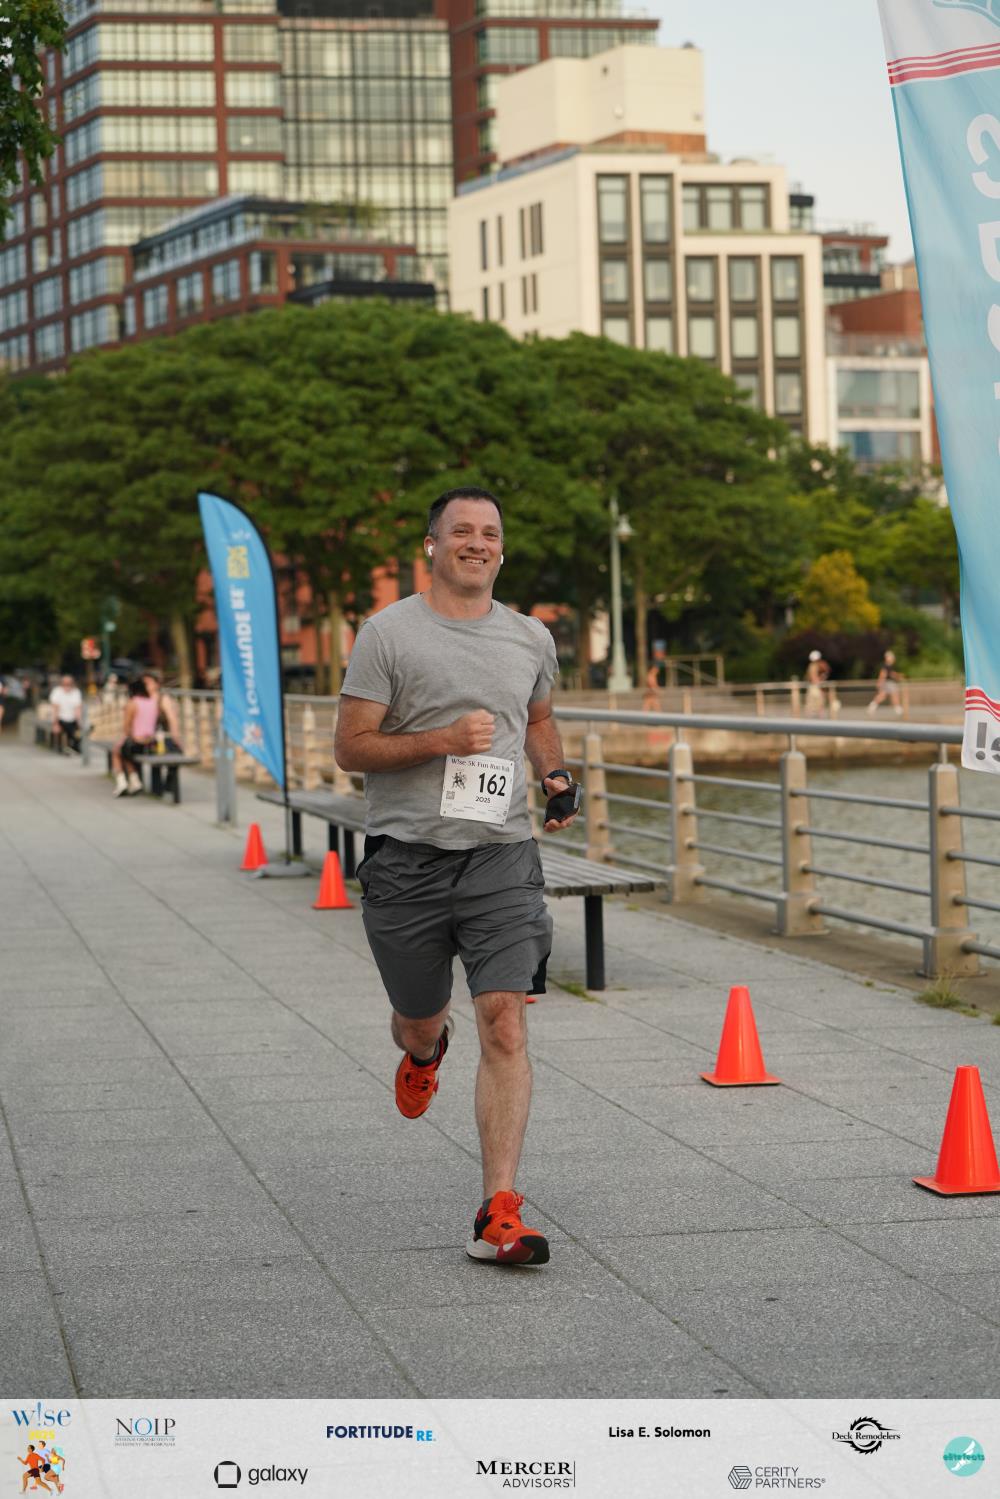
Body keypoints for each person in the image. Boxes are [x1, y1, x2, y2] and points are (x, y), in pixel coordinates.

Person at [334, 486, 579, 1268]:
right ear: (432, 545)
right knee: (419, 1017)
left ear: (502, 549)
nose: (477, 542)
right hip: (406, 858)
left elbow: (537, 718)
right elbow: (351, 746)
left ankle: (497, 1209)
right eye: (461, 530)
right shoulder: (387, 633)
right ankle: (424, 1050)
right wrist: (440, 739)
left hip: (501, 854)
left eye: (490, 532)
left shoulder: (530, 636)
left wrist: (556, 774)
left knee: (505, 1019)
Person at [111, 677, 158, 796]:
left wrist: (122, 741)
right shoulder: (152, 702)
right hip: (151, 742)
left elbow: (126, 728)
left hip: (137, 742)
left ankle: (122, 783)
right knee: (125, 754)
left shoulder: (132, 703)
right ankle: (134, 781)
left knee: (117, 752)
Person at [48, 674, 83, 753]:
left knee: (77, 733)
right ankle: (61, 747)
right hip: (60, 718)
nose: (67, 685)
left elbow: (78, 708)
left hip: (72, 719)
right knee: (61, 730)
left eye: (69, 683)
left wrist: (79, 722)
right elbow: (55, 708)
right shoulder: (57, 691)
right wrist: (55, 723)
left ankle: (74, 747)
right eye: (65, 683)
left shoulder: (76, 692)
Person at [867, 649, 904, 716]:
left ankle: (872, 706)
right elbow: (884, 674)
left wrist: (897, 675)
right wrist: (880, 682)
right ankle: (898, 709)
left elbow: (890, 673)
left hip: (887, 683)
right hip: (888, 683)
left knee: (882, 696)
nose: (893, 659)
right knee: (894, 694)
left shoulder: (888, 666)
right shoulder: (886, 665)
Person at [804, 649, 830, 717]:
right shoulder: (814, 666)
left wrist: (822, 677)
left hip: (814, 686)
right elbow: (813, 677)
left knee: (814, 704)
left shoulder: (814, 665)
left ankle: (815, 716)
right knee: (816, 703)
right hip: (815, 687)